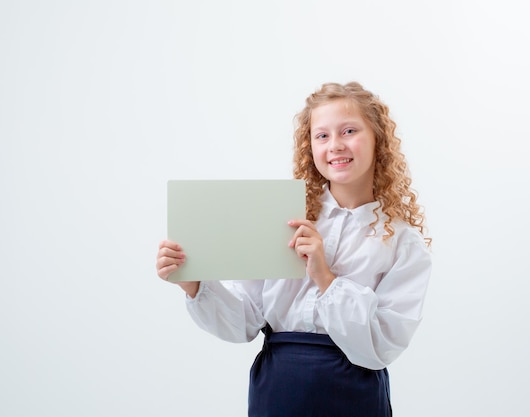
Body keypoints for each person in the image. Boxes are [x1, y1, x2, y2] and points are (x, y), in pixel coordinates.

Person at [156, 81, 432, 417]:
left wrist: (325, 277)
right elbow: (245, 319)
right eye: (322, 136)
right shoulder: (283, 219)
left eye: (349, 131)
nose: (335, 145)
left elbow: (383, 344)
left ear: (378, 139)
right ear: (310, 146)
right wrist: (195, 284)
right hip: (279, 388)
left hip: (353, 392)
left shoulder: (403, 242)